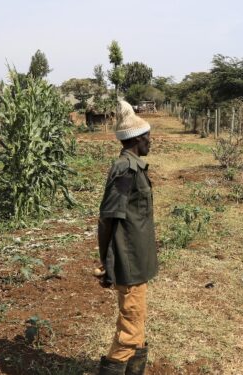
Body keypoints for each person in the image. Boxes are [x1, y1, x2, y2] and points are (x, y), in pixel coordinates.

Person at [96, 100, 158, 375]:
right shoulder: (124, 170)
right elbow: (107, 218)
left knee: (137, 320)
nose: (150, 142)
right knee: (130, 329)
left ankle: (135, 368)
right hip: (128, 260)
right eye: (148, 138)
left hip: (138, 258)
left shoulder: (135, 165)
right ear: (137, 139)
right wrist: (105, 261)